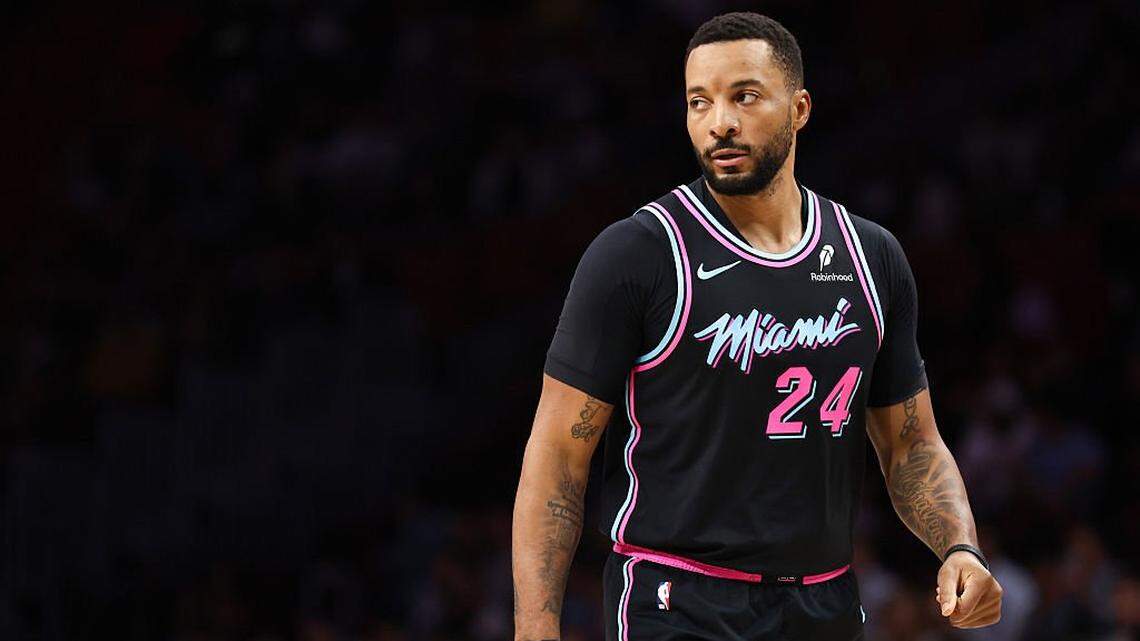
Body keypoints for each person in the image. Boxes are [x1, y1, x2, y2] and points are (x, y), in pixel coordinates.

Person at [512, 11, 1002, 640]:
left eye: (744, 96)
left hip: (823, 600)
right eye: (699, 102)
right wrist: (535, 629)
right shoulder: (637, 254)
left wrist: (960, 546)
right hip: (676, 597)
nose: (720, 122)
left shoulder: (871, 257)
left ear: (799, 109)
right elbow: (556, 460)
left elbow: (912, 444)